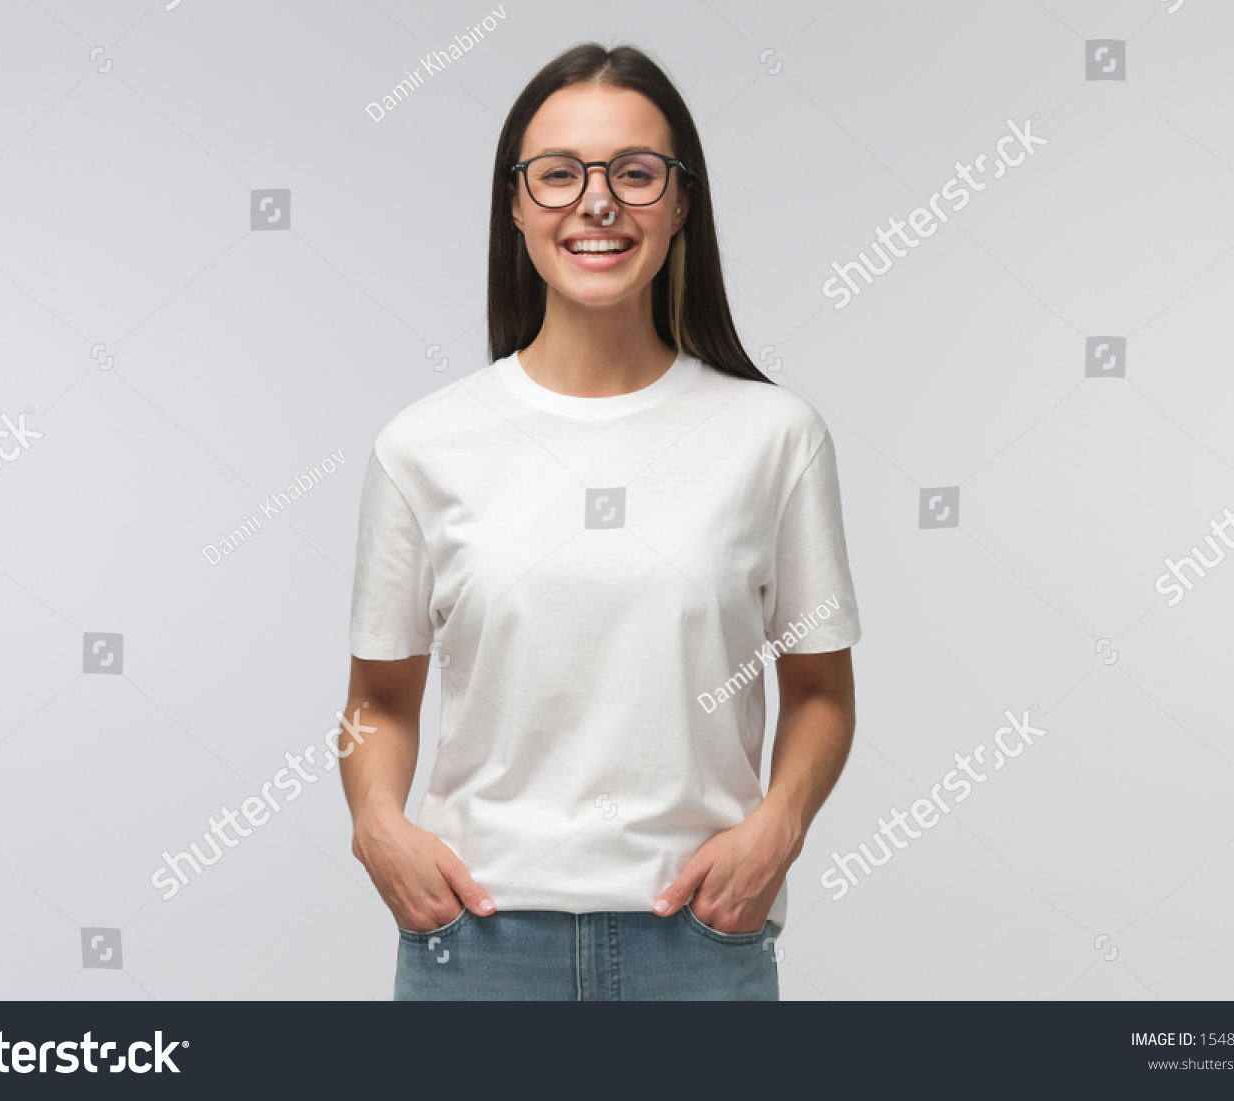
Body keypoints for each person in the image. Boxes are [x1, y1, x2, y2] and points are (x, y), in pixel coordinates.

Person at [342, 42, 860, 1001]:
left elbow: (822, 690)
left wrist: (779, 826)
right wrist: (376, 825)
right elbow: (378, 698)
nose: (598, 202)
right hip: (478, 947)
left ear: (681, 201)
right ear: (514, 203)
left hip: (699, 945)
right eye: (558, 174)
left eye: (635, 172)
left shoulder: (774, 437)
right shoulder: (424, 445)